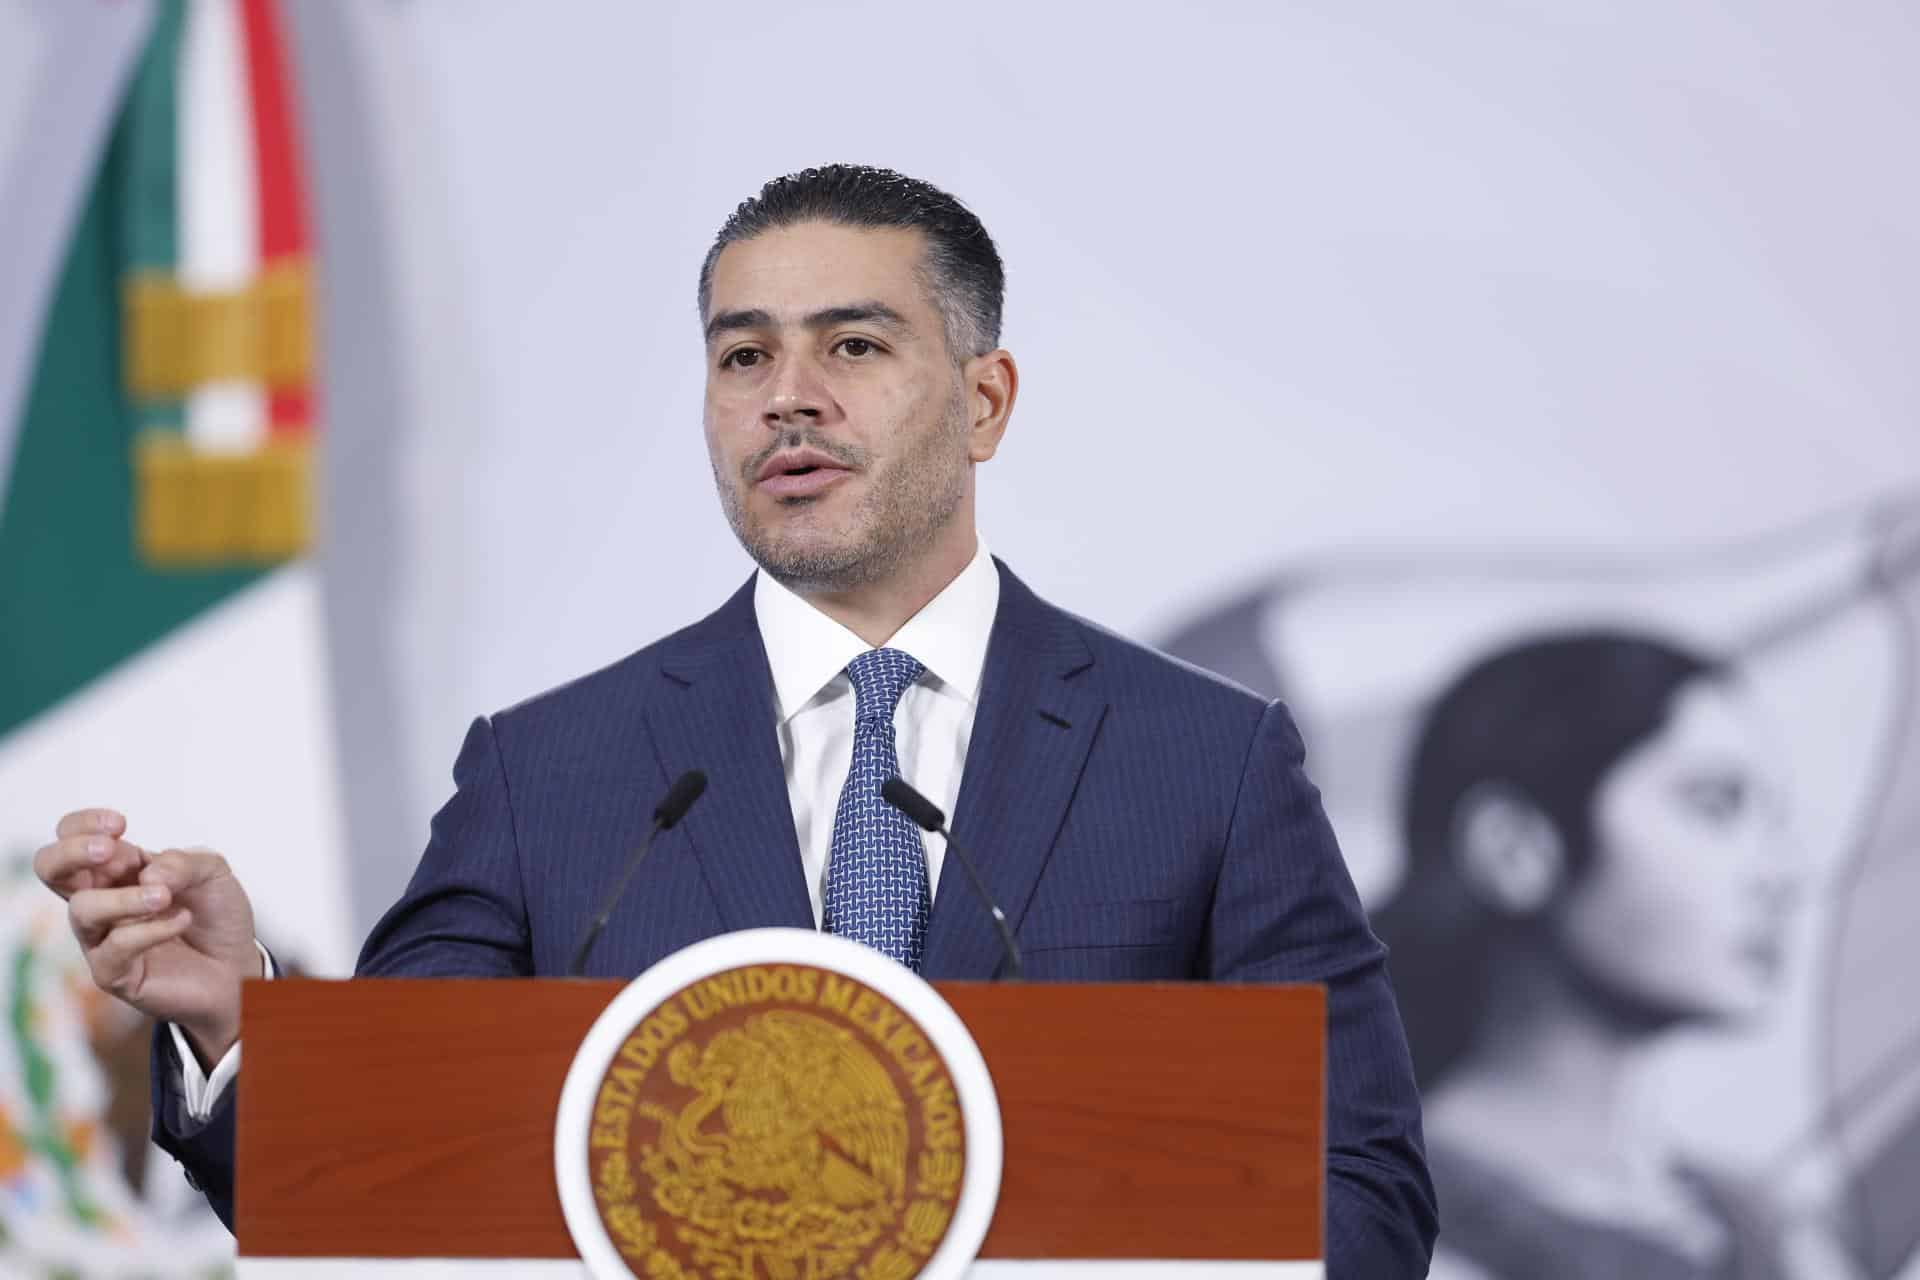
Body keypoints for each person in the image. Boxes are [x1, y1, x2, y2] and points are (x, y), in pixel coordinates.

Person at [32, 165, 1435, 1276]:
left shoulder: (1203, 759)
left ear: (986, 401)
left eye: (856, 345)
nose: (789, 400)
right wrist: (242, 1021)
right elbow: (381, 1173)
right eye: (743, 357)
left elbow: (1363, 1197)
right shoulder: (551, 773)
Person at [1372, 631, 1839, 1279]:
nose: (1782, 872)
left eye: (1774, 819)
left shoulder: (1767, 1231)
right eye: (1715, 805)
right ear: (1514, 848)